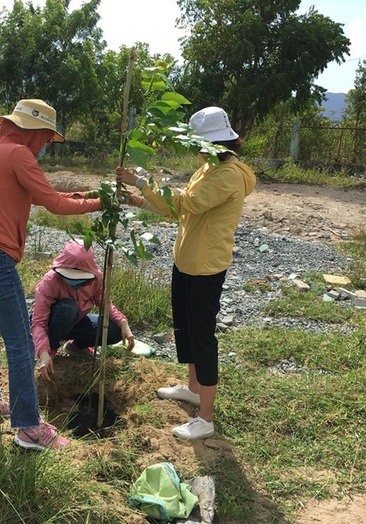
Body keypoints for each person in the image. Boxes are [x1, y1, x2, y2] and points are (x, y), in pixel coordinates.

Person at [0, 99, 102, 451]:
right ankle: (28, 427)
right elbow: (55, 204)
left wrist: (91, 195)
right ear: (34, 131)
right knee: (22, 343)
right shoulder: (19, 155)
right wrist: (103, 203)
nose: (44, 147)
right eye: (46, 139)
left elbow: (45, 195)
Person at [116, 106, 256, 440]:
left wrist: (141, 181)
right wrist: (140, 201)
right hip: (186, 263)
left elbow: (188, 202)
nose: (196, 150)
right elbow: (177, 209)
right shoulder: (209, 168)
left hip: (205, 268)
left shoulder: (229, 175)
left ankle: (205, 419)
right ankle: (194, 389)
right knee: (186, 329)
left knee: (202, 337)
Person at [31, 240, 135, 381]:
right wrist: (43, 352)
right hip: (53, 323)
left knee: (114, 330)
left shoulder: (96, 280)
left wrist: (123, 323)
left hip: (76, 321)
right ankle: (52, 347)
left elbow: (106, 305)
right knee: (69, 308)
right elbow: (38, 322)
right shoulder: (50, 281)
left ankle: (76, 346)